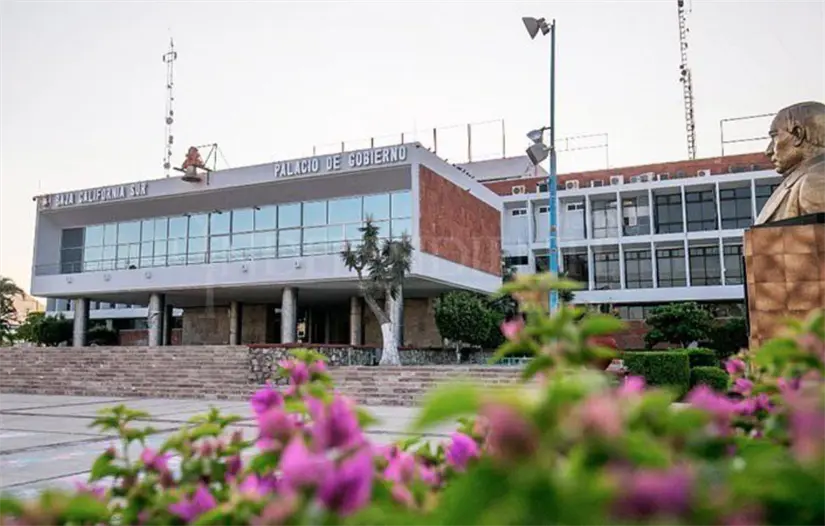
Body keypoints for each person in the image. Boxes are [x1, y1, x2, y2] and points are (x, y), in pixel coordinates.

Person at [754, 101, 825, 225]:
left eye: (775, 137)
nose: (768, 151)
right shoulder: (800, 179)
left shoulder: (816, 181)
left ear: (798, 134)